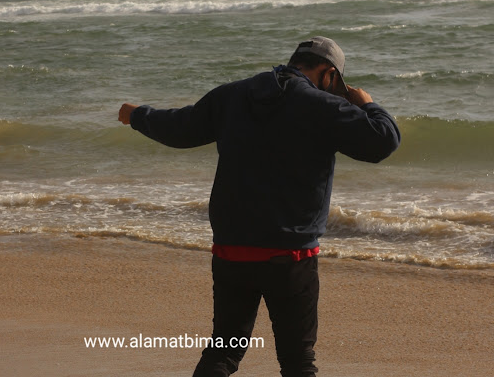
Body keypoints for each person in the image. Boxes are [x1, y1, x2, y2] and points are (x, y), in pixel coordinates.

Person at [118, 36, 400, 377]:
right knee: (298, 362)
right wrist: (368, 104)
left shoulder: (232, 95)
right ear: (329, 74)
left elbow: (181, 128)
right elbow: (382, 141)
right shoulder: (323, 106)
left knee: (223, 353)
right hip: (290, 256)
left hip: (231, 250)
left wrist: (137, 116)